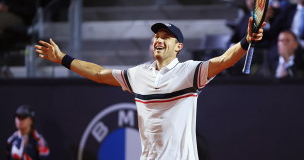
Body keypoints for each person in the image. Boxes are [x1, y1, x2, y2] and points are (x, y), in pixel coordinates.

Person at [35, 19, 265, 159]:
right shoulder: (138, 74)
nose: (159, 39)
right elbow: (99, 74)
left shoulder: (189, 72)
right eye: (157, 35)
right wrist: (63, 58)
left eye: (166, 37)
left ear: (179, 47)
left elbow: (224, 60)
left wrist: (246, 40)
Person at [227, 0, 276, 76]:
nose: (251, 1)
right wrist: (232, 46)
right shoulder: (245, 17)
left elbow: (271, 40)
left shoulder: (273, 15)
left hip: (260, 56)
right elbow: (232, 39)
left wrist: (264, 23)